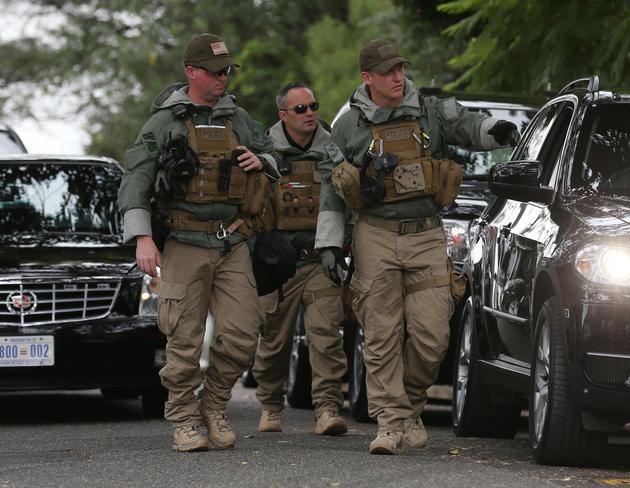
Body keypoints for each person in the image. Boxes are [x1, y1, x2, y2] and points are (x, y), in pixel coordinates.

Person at [315, 38, 520, 455]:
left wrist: (494, 132)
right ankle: (390, 422)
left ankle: (408, 404)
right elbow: (332, 190)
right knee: (381, 334)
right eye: (388, 71)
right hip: (374, 234)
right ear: (367, 77)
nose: (397, 76)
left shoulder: (430, 110)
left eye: (400, 68)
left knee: (432, 336)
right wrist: (330, 246)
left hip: (426, 233)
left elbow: (468, 124)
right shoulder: (348, 126)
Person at [118, 33, 279, 452]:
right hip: (185, 243)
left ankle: (213, 404)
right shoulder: (163, 121)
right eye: (215, 71)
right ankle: (186, 420)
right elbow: (135, 178)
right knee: (184, 339)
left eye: (228, 71)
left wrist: (261, 161)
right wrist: (143, 238)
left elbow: (272, 152)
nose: (224, 78)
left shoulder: (239, 118)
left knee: (245, 333)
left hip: (233, 241)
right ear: (192, 72)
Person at [253, 82, 348, 436]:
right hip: (280, 264)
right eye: (301, 109)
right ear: (283, 116)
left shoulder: (333, 150)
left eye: (313, 106)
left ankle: (326, 408)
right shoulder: (264, 152)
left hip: (320, 259)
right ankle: (271, 404)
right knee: (273, 338)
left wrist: (340, 247)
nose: (310, 114)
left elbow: (348, 198)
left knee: (326, 335)